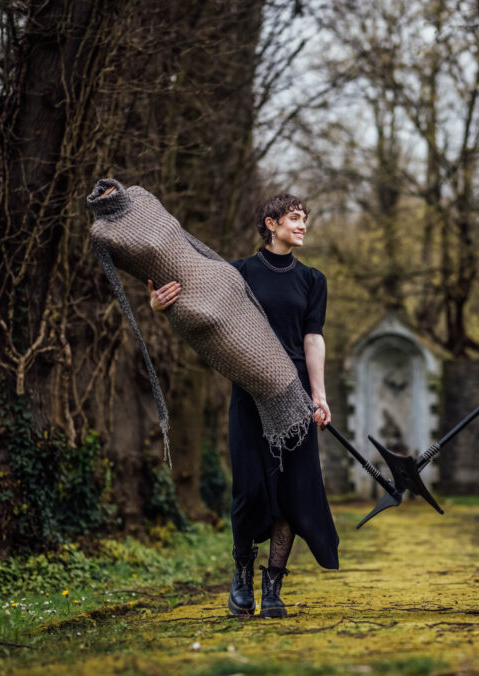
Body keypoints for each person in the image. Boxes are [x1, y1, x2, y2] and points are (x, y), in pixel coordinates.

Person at [149, 194, 338, 619]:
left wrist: (319, 395)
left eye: (305, 218)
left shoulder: (313, 280)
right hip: (249, 395)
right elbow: (199, 310)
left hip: (295, 400)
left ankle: (273, 586)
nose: (303, 224)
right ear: (270, 224)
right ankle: (242, 575)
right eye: (294, 218)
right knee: (250, 490)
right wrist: (160, 307)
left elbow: (313, 339)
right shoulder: (237, 273)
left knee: (291, 493)